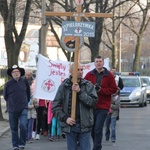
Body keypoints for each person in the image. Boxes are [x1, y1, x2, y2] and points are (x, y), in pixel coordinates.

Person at [52, 63, 98, 150]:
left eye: (81, 70)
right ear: (71, 71)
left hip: (84, 125)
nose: (80, 72)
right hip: (70, 126)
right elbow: (55, 107)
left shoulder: (88, 85)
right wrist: (66, 118)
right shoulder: (64, 86)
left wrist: (80, 92)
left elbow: (93, 102)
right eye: (78, 70)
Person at [84, 56, 118, 150]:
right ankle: (97, 146)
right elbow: (83, 86)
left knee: (98, 128)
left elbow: (114, 89)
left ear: (103, 63)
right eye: (97, 61)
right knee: (92, 129)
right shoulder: (89, 75)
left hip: (103, 105)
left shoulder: (109, 75)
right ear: (94, 63)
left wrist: (101, 90)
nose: (98, 63)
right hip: (91, 105)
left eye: (100, 61)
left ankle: (96, 148)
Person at [3, 65, 30, 150]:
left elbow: (28, 94)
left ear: (20, 73)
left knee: (23, 125)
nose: (16, 73)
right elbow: (5, 96)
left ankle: (22, 143)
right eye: (14, 72)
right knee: (14, 128)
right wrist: (12, 103)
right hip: (12, 109)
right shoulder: (8, 84)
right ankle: (15, 145)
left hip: (23, 108)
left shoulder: (24, 82)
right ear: (11, 74)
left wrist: (25, 102)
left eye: (17, 71)